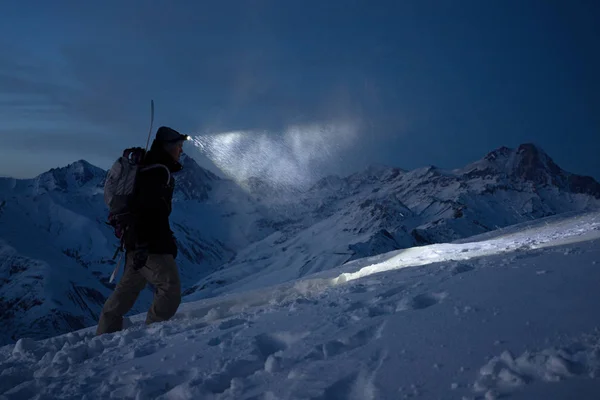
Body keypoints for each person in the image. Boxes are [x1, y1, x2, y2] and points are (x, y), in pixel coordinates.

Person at [96, 126, 188, 335]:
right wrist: (144, 245)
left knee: (125, 293)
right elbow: (147, 211)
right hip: (148, 245)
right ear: (167, 147)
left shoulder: (151, 168)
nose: (181, 151)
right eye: (179, 146)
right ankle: (152, 336)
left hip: (136, 243)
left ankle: (102, 337)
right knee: (169, 288)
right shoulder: (156, 172)